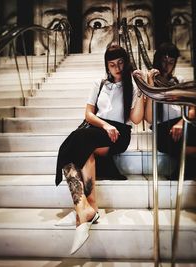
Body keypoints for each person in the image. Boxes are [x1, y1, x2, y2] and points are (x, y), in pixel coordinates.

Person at [55, 44, 144, 254]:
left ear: (126, 61)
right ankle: (85, 206)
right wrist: (105, 124)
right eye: (112, 64)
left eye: (121, 63)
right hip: (98, 128)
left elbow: (136, 119)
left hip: (119, 134)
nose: (117, 68)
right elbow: (88, 114)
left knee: (73, 144)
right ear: (107, 66)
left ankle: (85, 207)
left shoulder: (132, 85)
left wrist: (141, 89)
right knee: (78, 146)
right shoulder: (99, 83)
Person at [144, 42, 196, 179]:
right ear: (157, 61)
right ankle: (184, 171)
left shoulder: (179, 81)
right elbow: (149, 119)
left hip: (184, 126)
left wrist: (181, 123)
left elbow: (192, 108)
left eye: (171, 62)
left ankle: (182, 172)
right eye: (163, 61)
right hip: (163, 132)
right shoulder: (148, 83)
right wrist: (151, 84)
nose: (166, 66)